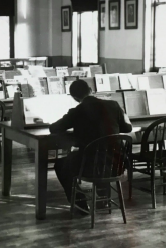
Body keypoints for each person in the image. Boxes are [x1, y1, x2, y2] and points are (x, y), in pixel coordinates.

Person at [49, 79, 132, 212]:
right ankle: (104, 198)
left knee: (61, 164)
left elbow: (54, 128)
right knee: (102, 155)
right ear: (90, 90)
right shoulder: (114, 105)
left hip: (92, 165)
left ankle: (80, 203)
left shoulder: (77, 111)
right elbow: (127, 128)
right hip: (117, 163)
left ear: (75, 98)